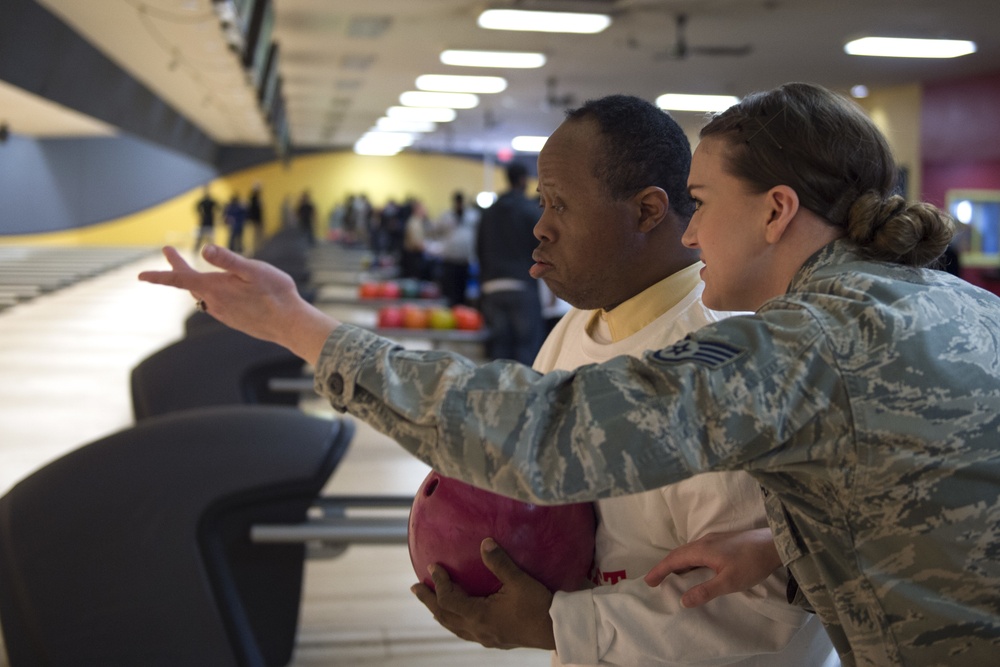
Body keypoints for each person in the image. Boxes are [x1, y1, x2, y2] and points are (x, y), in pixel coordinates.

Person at [139, 82, 1000, 666]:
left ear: (776, 210)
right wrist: (786, 544)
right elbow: (935, 481)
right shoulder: (958, 305)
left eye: (702, 203)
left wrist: (302, 328)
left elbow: (545, 435)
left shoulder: (805, 343)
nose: (692, 235)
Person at [413, 94, 837, 665]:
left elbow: (766, 607)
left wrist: (557, 625)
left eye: (560, 204)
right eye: (542, 201)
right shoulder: (573, 330)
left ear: (647, 211)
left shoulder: (725, 353)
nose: (540, 227)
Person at [476, 162, 546, 364]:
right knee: (525, 350)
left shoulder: (488, 213)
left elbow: (478, 250)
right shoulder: (529, 210)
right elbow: (542, 249)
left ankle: (500, 394)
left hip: (491, 287)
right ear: (524, 179)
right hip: (521, 286)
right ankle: (524, 396)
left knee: (499, 351)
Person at [194, 186, 217, 252]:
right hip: (206, 221)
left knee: (205, 238)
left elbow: (197, 208)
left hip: (207, 221)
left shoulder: (208, 201)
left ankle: (212, 250)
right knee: (202, 237)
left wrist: (201, 214)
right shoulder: (207, 201)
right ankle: (197, 249)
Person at [246, 183, 264, 254]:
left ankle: (258, 248)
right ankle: (255, 249)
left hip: (258, 219)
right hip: (255, 219)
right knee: (255, 235)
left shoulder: (257, 198)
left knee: (258, 235)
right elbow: (252, 209)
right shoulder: (253, 198)